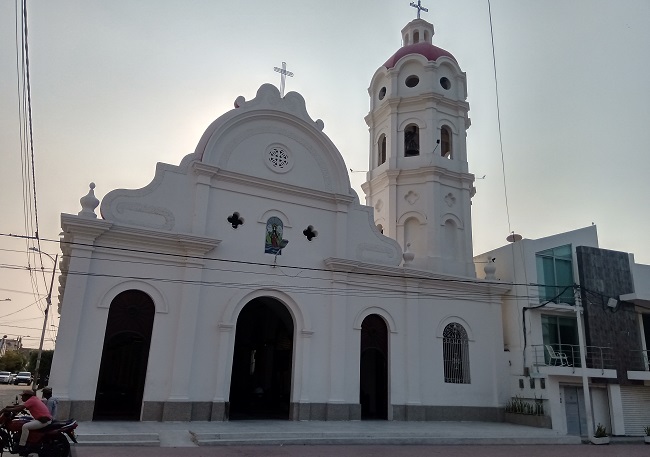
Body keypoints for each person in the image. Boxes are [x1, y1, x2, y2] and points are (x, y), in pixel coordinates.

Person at [1, 389, 52, 456]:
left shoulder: (31, 400)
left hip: (44, 421)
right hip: (42, 419)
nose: (22, 398)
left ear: (27, 396)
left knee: (25, 426)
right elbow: (20, 406)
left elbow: (19, 408)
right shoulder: (33, 399)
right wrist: (9, 407)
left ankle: (22, 445)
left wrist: (5, 409)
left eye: (23, 396)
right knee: (25, 421)